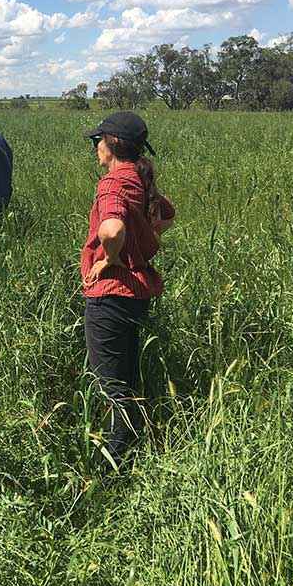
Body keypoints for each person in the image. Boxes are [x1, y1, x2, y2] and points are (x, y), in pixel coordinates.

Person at [80, 111, 175, 476]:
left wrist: (113, 257)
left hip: (111, 293)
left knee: (110, 382)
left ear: (112, 144)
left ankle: (114, 463)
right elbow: (167, 215)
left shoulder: (113, 183)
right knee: (127, 374)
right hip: (137, 293)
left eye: (97, 141)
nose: (95, 148)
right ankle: (138, 442)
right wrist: (144, 239)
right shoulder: (141, 176)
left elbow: (112, 227)